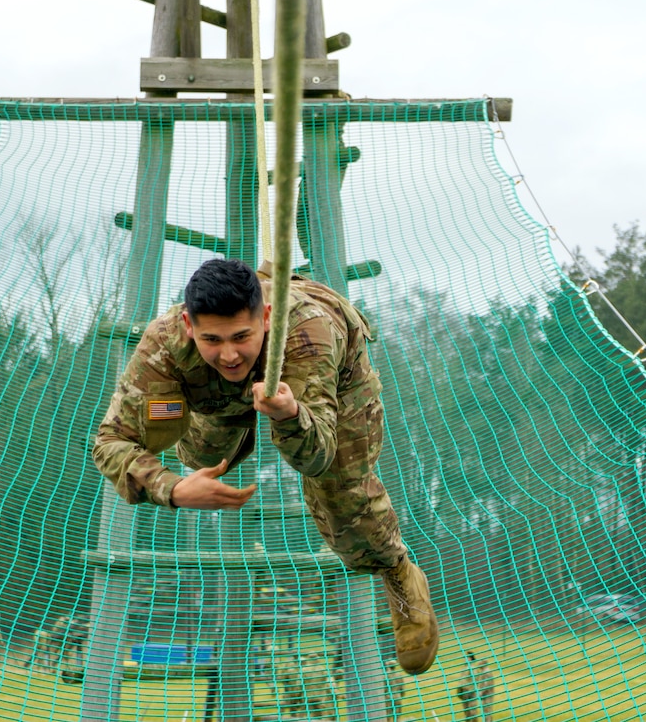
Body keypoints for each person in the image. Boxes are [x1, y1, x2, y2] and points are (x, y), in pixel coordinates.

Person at [93, 258, 439, 674]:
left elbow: (318, 454)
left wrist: (290, 415)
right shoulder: (165, 342)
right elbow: (109, 441)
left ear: (267, 318)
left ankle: (397, 571)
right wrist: (174, 488)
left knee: (338, 492)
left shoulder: (310, 332)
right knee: (200, 453)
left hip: (330, 388)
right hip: (223, 398)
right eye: (212, 340)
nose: (229, 353)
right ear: (188, 325)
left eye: (241, 335)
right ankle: (232, 411)